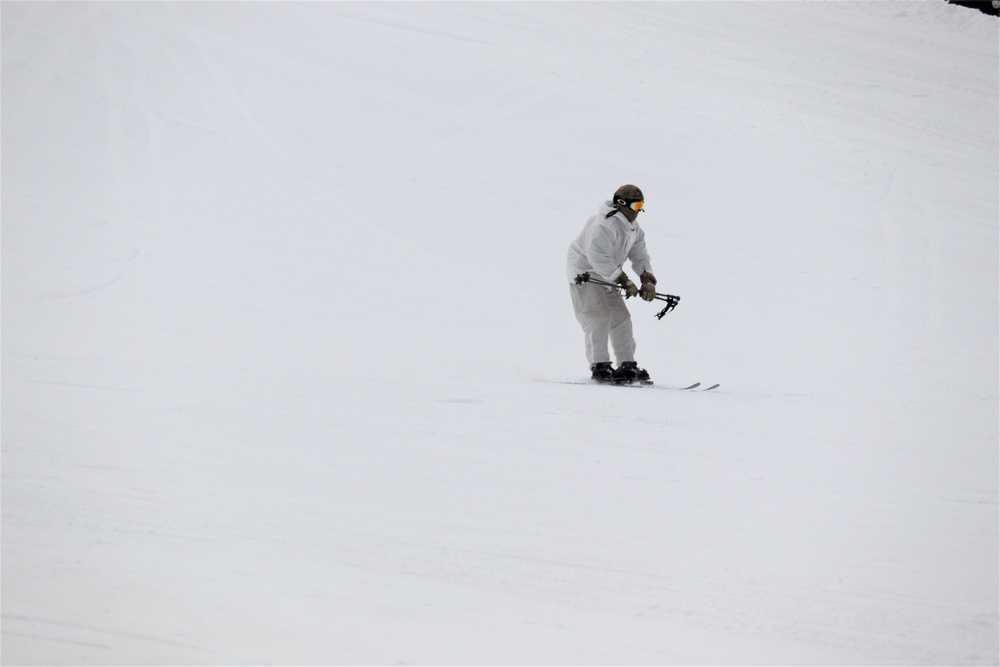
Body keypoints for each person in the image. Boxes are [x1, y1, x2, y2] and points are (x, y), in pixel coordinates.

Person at [566, 184, 658, 384]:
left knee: (621, 318)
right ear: (623, 204)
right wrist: (623, 280)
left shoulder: (634, 229)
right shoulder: (603, 225)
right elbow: (597, 256)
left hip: (609, 276)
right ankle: (600, 365)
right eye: (636, 205)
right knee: (597, 317)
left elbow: (640, 255)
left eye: (641, 205)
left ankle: (627, 364)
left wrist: (647, 279)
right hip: (586, 275)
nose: (639, 211)